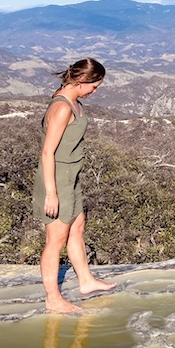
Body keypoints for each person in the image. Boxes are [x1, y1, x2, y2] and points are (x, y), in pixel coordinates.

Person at [32, 57, 116, 313]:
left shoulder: (72, 100)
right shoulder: (62, 107)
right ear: (81, 80)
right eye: (94, 86)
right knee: (55, 240)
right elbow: (47, 153)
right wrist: (51, 193)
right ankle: (53, 299)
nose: (95, 91)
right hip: (57, 178)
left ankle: (86, 281)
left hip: (71, 176)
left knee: (77, 227)